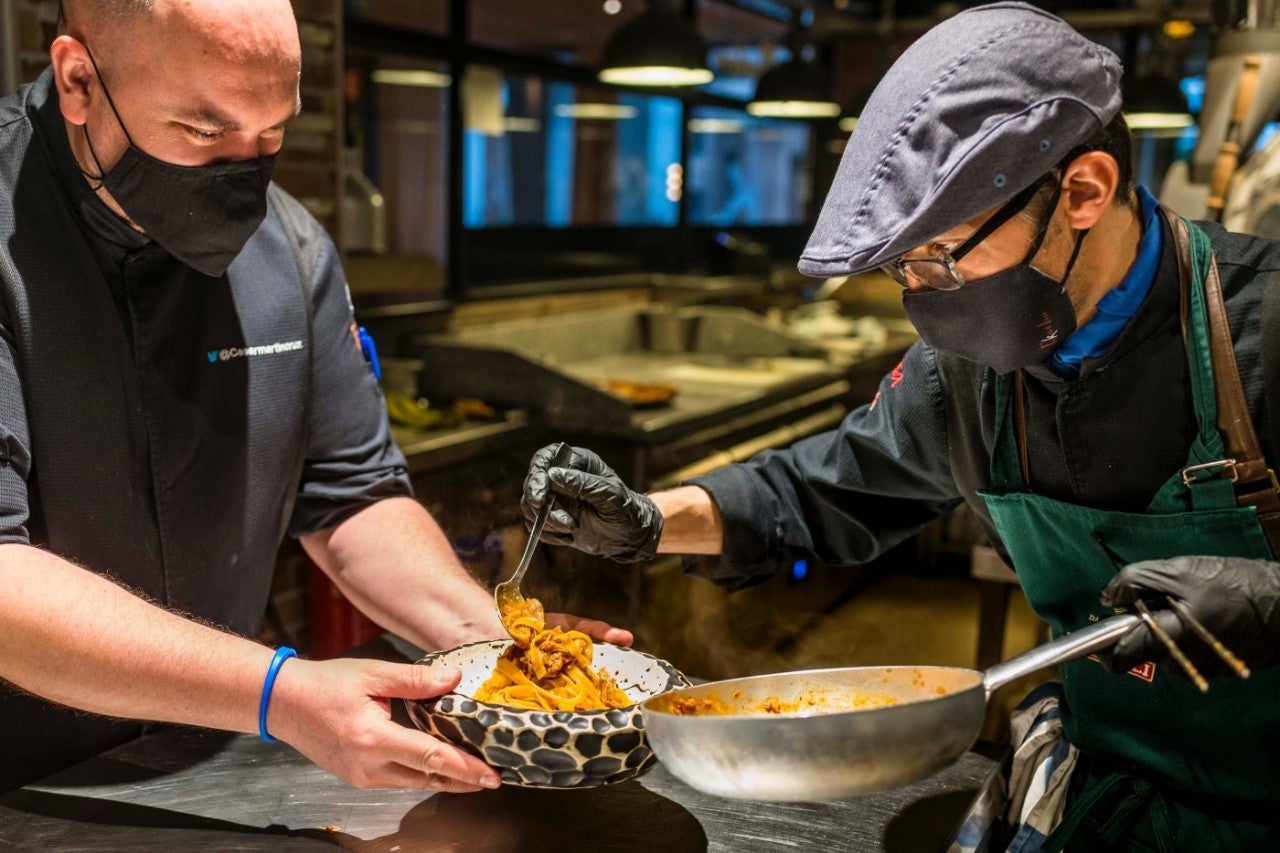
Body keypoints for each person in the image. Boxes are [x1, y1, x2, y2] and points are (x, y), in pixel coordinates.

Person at [523, 3, 1280, 849]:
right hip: (1112, 786)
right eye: (902, 267)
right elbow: (824, 488)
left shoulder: (1266, 325)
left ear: (1082, 191)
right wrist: (652, 519)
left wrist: (1271, 598)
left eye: (942, 255)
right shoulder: (971, 373)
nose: (923, 296)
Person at [0, 0, 630, 794]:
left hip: (201, 768)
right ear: (78, 80)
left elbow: (352, 494)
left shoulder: (291, 250)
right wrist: (279, 693)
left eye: (272, 134)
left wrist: (493, 646)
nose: (245, 171)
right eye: (204, 131)